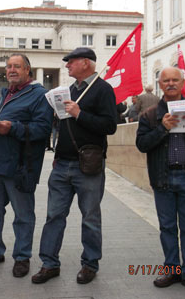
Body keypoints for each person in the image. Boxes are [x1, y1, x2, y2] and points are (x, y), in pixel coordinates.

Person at [32, 47, 117, 285]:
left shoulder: (103, 89)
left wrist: (80, 114)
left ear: (87, 63)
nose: (67, 65)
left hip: (88, 166)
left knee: (90, 217)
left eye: (71, 62)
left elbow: (110, 125)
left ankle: (90, 264)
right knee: (53, 216)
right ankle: (49, 264)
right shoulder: (66, 91)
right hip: (62, 164)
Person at [0, 54, 53, 278]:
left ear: (28, 71)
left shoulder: (40, 96)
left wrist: (12, 128)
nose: (11, 70)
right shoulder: (5, 94)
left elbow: (42, 131)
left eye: (17, 66)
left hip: (19, 167)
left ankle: (22, 256)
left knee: (23, 215)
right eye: (8, 67)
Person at [136, 67, 185, 296]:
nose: (170, 84)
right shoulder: (150, 114)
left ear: (182, 83)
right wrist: (163, 127)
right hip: (163, 177)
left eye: (175, 80)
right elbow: (142, 144)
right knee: (167, 227)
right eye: (166, 80)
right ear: (160, 84)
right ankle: (171, 269)